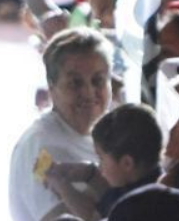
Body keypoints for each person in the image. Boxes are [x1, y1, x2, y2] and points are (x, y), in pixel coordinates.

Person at [9, 27, 112, 221]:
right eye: (75, 83)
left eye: (98, 80)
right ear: (52, 87)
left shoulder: (101, 135)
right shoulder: (43, 148)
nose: (89, 93)